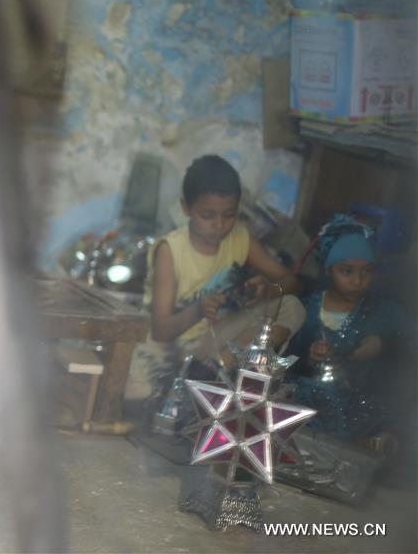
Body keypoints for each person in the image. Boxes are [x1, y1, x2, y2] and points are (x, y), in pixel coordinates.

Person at [145, 154, 304, 378]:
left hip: (220, 341)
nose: (219, 225)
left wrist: (268, 290)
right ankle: (212, 373)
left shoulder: (241, 238)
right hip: (176, 347)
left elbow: (292, 283)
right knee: (139, 382)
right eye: (207, 215)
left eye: (229, 215)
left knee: (292, 306)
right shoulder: (170, 251)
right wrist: (198, 310)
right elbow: (161, 331)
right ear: (186, 208)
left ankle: (215, 369)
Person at [286, 214, 409, 441]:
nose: (357, 280)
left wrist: (384, 345)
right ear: (328, 269)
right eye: (347, 271)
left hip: (359, 409)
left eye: (367, 271)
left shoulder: (384, 313)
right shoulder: (306, 309)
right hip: (307, 402)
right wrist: (309, 357)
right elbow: (286, 359)